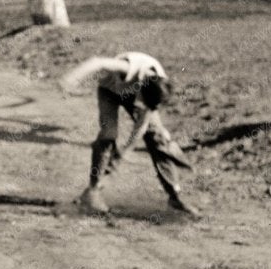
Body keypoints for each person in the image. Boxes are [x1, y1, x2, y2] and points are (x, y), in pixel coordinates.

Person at [59, 52, 197, 217]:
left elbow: (140, 128)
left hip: (138, 92)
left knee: (158, 139)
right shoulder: (129, 68)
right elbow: (97, 62)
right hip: (109, 90)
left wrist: (123, 153)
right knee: (108, 135)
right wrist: (71, 78)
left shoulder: (158, 86)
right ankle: (93, 192)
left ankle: (175, 197)